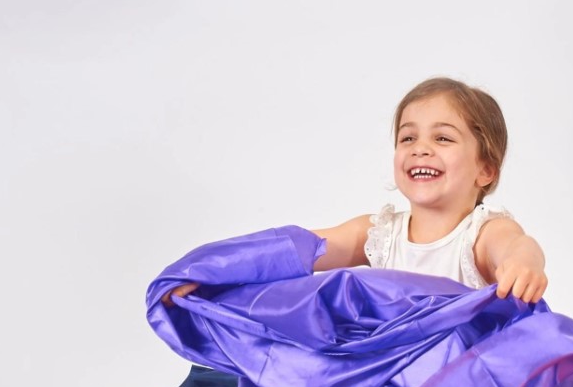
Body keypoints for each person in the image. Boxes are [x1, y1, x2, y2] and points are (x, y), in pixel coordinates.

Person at [166, 77, 548, 305]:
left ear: (485, 169)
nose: (420, 148)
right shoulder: (379, 234)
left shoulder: (481, 235)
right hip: (390, 379)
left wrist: (522, 266)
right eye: (408, 137)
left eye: (443, 138)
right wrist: (215, 270)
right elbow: (300, 247)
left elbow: (517, 246)